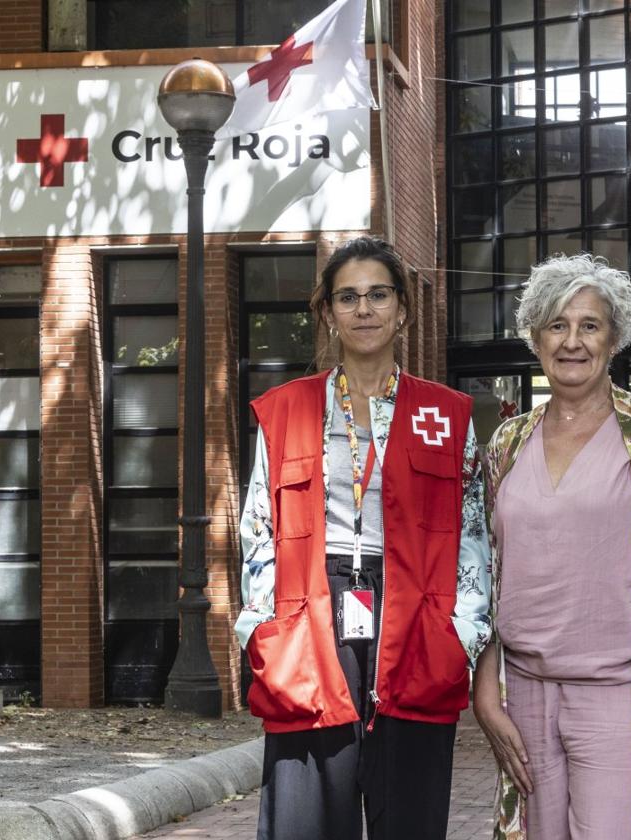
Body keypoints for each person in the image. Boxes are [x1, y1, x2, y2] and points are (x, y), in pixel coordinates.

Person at [236, 236, 491, 840]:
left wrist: (464, 634)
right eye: (347, 297)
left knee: (410, 813)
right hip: (309, 617)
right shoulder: (288, 409)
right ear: (326, 312)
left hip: (417, 621)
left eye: (378, 294)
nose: (364, 309)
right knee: (304, 819)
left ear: (402, 309)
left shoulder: (446, 414)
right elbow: (257, 528)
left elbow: (475, 533)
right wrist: (262, 629)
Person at [473, 254, 631, 840]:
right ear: (535, 337)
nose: (572, 341)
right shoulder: (508, 441)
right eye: (557, 325)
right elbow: (484, 574)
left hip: (621, 694)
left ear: (614, 340)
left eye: (590, 325)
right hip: (525, 694)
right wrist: (486, 692)